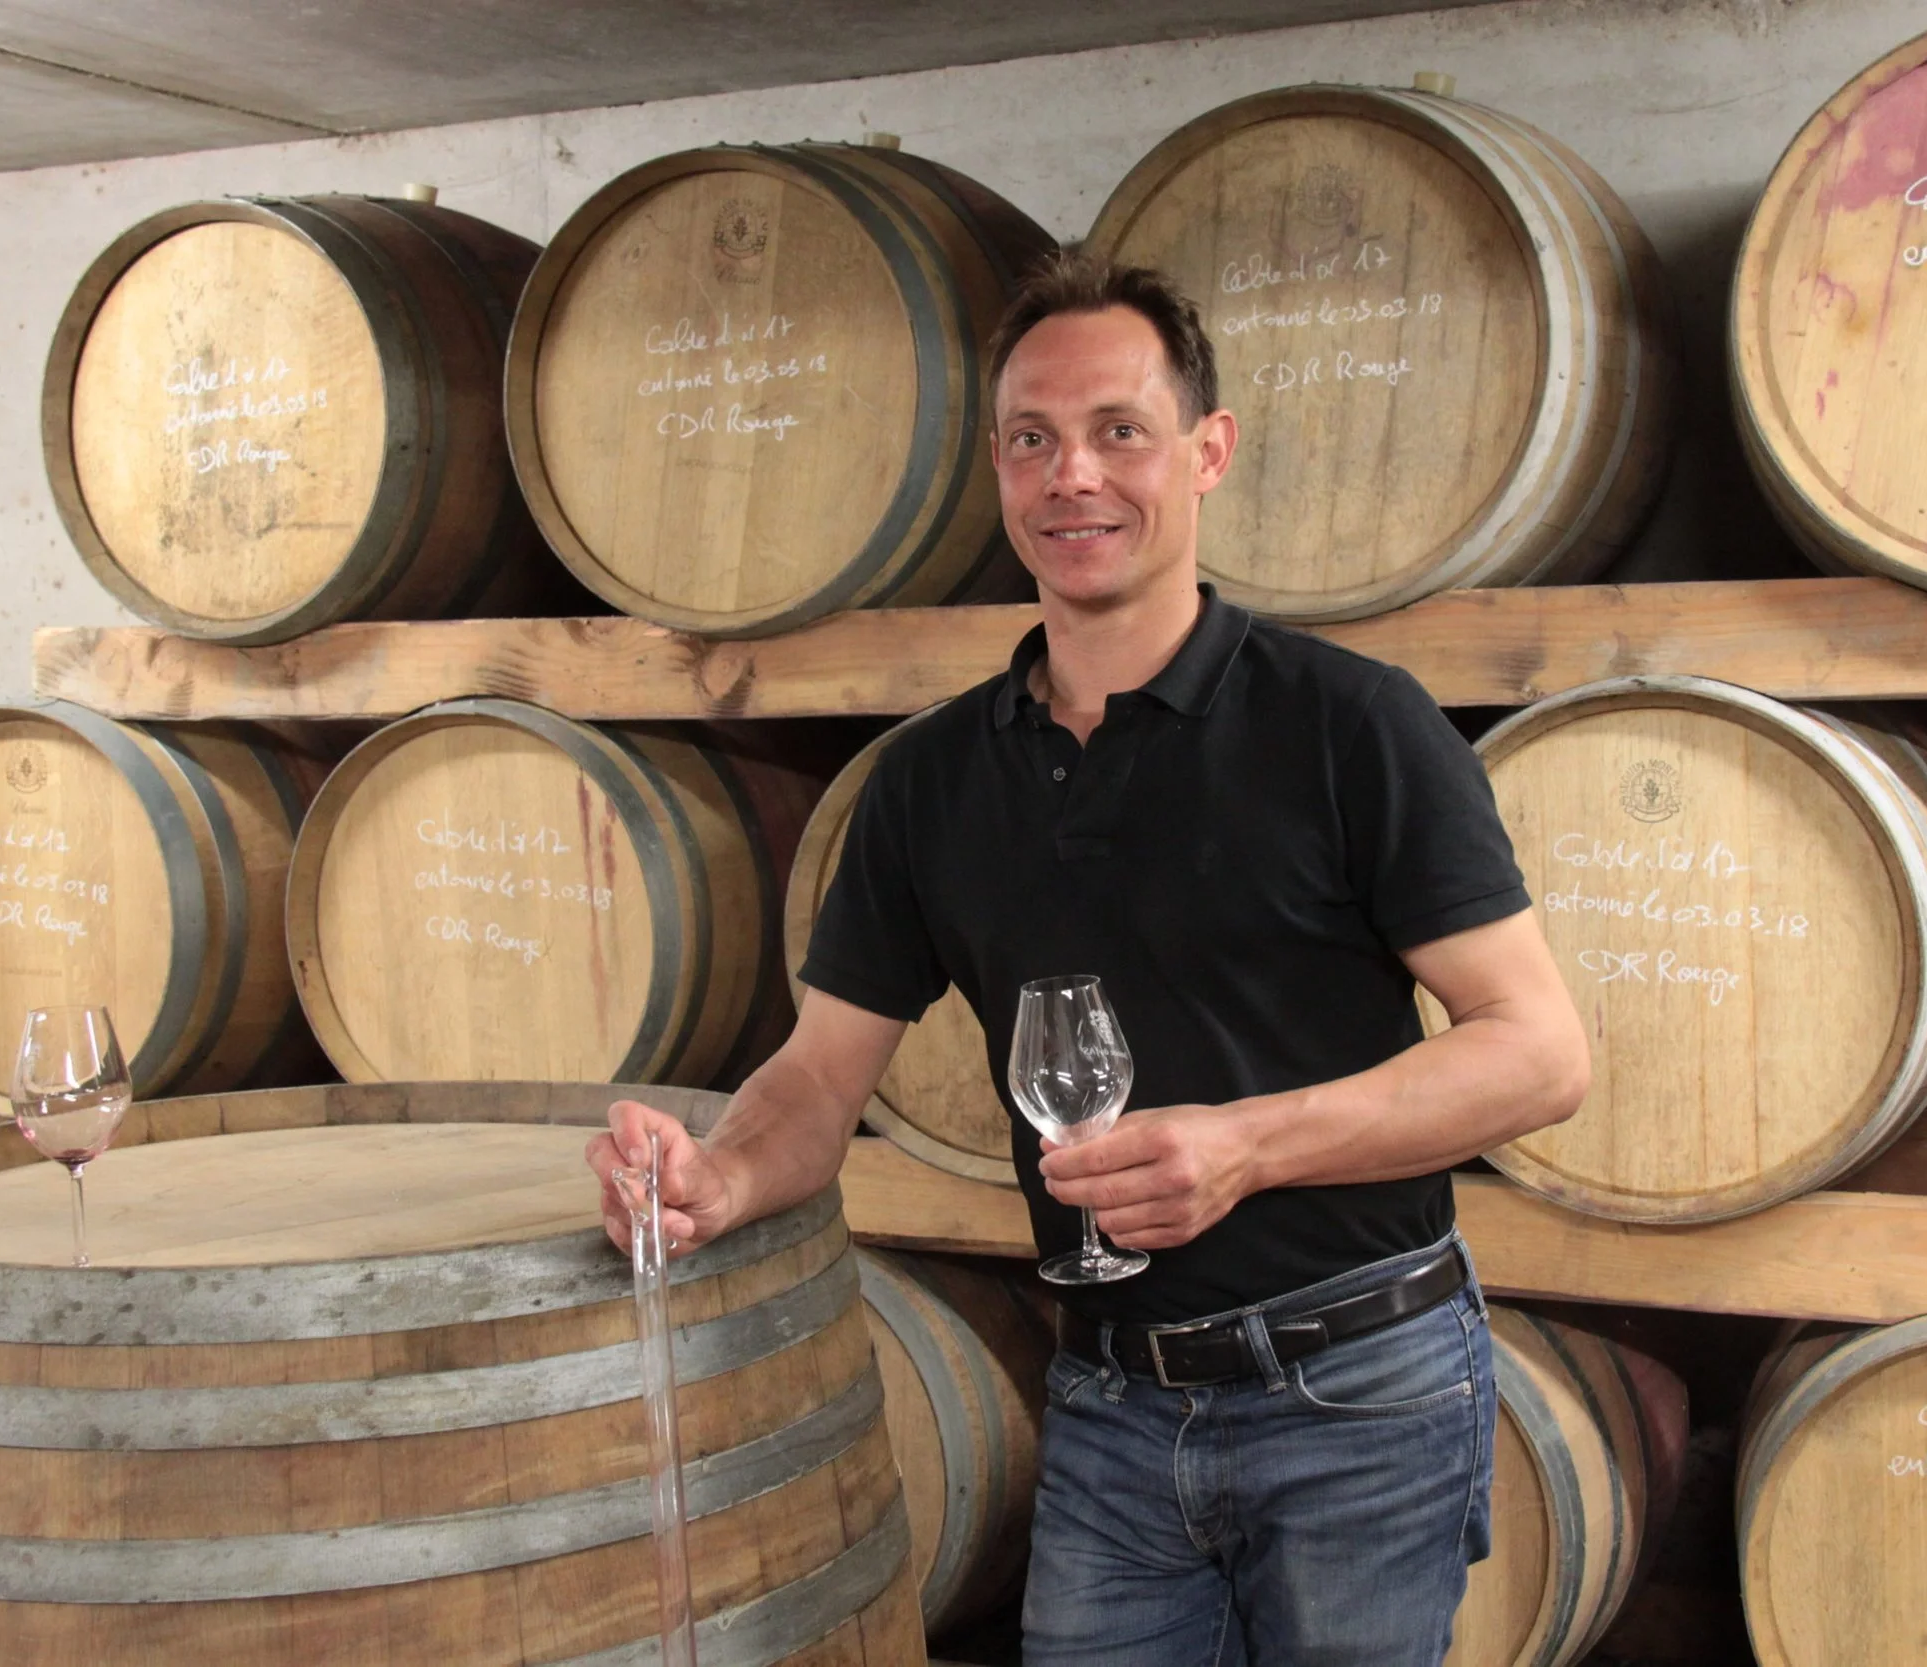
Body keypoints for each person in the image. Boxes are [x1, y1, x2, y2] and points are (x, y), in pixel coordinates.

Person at [590, 250, 1590, 1665]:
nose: (1074, 476)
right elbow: (817, 1077)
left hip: (1356, 1385)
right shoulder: (930, 781)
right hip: (1112, 1402)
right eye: (1031, 439)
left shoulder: (1350, 724)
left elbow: (1538, 1054)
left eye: (1120, 430)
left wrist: (1247, 1147)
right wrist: (721, 1173)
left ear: (1208, 451)